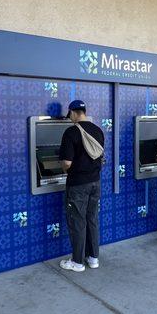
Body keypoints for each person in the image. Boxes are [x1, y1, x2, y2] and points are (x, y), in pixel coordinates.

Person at [59, 100, 105, 272]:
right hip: (95, 182)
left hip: (78, 184)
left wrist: (63, 169)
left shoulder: (71, 132)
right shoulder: (98, 130)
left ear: (72, 112)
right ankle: (93, 258)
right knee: (92, 219)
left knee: (77, 221)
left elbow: (67, 163)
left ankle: (77, 262)